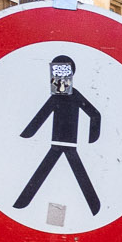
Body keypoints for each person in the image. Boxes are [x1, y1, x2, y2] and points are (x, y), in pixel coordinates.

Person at [15, 54, 104, 213]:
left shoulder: (74, 95)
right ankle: (21, 203)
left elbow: (94, 114)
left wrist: (92, 138)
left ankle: (95, 206)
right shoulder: (57, 96)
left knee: (67, 172)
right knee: (51, 171)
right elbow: (42, 114)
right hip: (57, 143)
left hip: (67, 143)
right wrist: (27, 134)